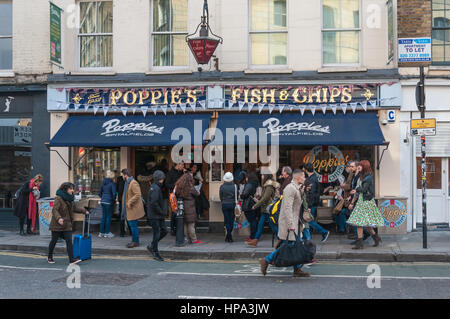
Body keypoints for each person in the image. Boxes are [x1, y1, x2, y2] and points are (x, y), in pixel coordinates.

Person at [259, 169, 310, 278]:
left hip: (295, 222)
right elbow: (287, 208)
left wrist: (302, 192)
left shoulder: (297, 188)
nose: (305, 179)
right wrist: (290, 224)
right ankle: (266, 260)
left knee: (295, 244)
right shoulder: (290, 189)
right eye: (304, 177)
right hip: (289, 222)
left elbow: (296, 206)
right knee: (291, 245)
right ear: (298, 178)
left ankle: (297, 269)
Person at [47, 182, 89, 264]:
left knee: (69, 241)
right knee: (54, 241)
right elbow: (54, 210)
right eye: (70, 189)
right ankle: (49, 256)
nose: (72, 190)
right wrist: (59, 218)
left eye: (73, 188)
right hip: (57, 224)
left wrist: (84, 211)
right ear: (65, 189)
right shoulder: (58, 198)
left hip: (67, 224)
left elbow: (74, 208)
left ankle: (71, 260)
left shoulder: (70, 198)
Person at [346, 160, 384, 249]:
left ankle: (360, 244)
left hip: (366, 202)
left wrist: (356, 189)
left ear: (365, 167)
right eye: (358, 165)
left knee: (359, 223)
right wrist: (353, 198)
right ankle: (376, 238)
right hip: (362, 201)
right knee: (366, 224)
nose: (359, 167)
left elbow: (363, 189)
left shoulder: (368, 177)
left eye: (360, 166)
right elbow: (359, 191)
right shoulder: (363, 177)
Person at [249, 173, 280, 248]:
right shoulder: (267, 185)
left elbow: (266, 198)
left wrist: (255, 206)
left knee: (273, 226)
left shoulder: (269, 186)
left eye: (263, 175)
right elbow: (264, 197)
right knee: (260, 225)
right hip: (265, 209)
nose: (261, 176)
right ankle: (255, 241)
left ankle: (281, 240)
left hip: (268, 209)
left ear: (266, 176)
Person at [304, 163, 330, 242]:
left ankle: (324, 232)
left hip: (311, 204)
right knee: (308, 221)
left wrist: (309, 206)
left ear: (306, 170)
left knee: (308, 220)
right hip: (314, 203)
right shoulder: (315, 177)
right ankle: (308, 238)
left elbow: (311, 193)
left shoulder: (312, 179)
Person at [121, 168, 145, 248]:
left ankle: (136, 242)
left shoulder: (133, 183)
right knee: (132, 225)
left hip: (133, 208)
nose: (122, 177)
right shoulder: (128, 183)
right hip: (129, 208)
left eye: (123, 175)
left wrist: (129, 202)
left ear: (126, 175)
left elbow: (138, 194)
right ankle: (134, 240)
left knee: (133, 225)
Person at [175, 173, 202, 244]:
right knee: (191, 224)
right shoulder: (190, 187)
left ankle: (188, 239)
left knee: (185, 224)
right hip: (190, 207)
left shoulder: (179, 186)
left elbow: (176, 194)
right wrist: (198, 192)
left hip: (182, 206)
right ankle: (194, 239)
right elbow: (196, 193)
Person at [147, 170, 167, 261]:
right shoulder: (155, 188)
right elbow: (154, 203)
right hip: (155, 215)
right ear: (160, 179)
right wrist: (161, 212)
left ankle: (152, 245)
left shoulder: (155, 187)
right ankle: (155, 252)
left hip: (158, 215)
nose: (163, 180)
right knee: (157, 233)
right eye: (162, 178)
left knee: (164, 231)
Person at [333, 162, 354, 234]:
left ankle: (343, 228)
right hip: (342, 200)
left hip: (349, 202)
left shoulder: (352, 176)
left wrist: (349, 197)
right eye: (347, 167)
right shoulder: (342, 176)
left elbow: (351, 188)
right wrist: (338, 195)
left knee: (341, 213)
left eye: (349, 167)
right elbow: (337, 188)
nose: (347, 168)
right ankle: (343, 227)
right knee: (335, 213)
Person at [165, 162, 185, 235]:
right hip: (174, 195)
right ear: (178, 164)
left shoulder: (182, 173)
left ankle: (179, 228)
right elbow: (167, 184)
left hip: (181, 195)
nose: (183, 166)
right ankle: (173, 229)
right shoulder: (170, 173)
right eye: (182, 164)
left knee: (180, 212)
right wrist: (175, 186)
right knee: (174, 212)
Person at [240, 172, 260, 246]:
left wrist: (241, 195)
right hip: (253, 204)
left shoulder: (249, 184)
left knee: (252, 221)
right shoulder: (255, 184)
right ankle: (253, 236)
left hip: (248, 205)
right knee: (253, 220)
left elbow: (244, 194)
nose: (245, 179)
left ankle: (252, 236)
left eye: (246, 177)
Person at [98, 170, 117, 238]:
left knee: (103, 217)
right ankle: (107, 233)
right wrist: (113, 200)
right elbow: (114, 193)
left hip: (103, 201)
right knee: (108, 217)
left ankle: (101, 233)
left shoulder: (103, 183)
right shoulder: (112, 184)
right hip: (109, 202)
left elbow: (99, 193)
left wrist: (103, 197)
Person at [219, 172, 236, 243]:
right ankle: (229, 235)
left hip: (224, 204)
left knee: (226, 220)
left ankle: (228, 236)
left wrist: (223, 201)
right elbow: (236, 195)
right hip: (232, 204)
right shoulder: (234, 186)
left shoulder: (222, 187)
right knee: (231, 220)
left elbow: (221, 196)